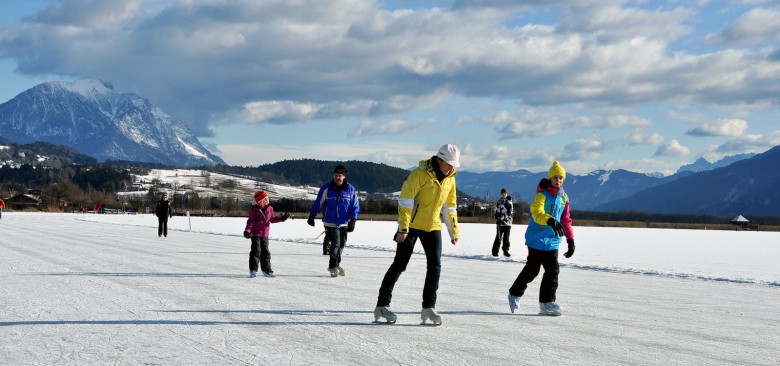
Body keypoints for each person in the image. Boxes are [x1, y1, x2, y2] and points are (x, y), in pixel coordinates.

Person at [374, 144, 461, 326]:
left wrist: (453, 231)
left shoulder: (451, 178)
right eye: (449, 164)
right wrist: (403, 228)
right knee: (400, 264)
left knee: (435, 267)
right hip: (412, 225)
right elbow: (405, 201)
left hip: (433, 226)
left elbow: (449, 207)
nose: (451, 168)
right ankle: (382, 305)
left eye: (454, 165)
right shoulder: (419, 174)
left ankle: (429, 308)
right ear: (439, 160)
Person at [507, 161, 575, 316]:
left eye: (561, 177)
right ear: (550, 178)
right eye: (555, 177)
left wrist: (570, 240)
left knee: (553, 271)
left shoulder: (564, 198)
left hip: (552, 240)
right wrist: (550, 219)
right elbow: (536, 213)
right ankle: (514, 293)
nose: (558, 180)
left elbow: (566, 220)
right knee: (533, 270)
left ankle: (547, 303)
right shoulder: (542, 195)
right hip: (537, 238)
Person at [307, 164, 360, 277]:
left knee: (342, 244)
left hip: (344, 222)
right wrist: (312, 216)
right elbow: (318, 202)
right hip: (330, 221)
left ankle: (336, 263)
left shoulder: (350, 190)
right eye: (335, 175)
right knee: (336, 243)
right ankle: (332, 266)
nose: (337, 177)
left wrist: (353, 220)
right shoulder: (326, 189)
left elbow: (355, 206)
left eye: (339, 175)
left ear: (344, 176)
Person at [243, 190, 291, 278]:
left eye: (267, 198)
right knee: (256, 251)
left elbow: (272, 219)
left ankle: (266, 270)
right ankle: (253, 269)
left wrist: (282, 218)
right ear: (259, 201)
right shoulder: (254, 210)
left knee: (266, 252)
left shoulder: (270, 208)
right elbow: (251, 222)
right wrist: (247, 231)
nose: (267, 200)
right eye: (265, 199)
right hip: (255, 234)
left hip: (265, 235)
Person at [492, 188, 513, 257]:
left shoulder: (509, 202)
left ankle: (505, 251)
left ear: (507, 194)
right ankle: (495, 252)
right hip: (499, 223)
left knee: (506, 238)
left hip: (507, 223)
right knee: (498, 238)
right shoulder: (499, 201)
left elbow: (509, 212)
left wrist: (503, 217)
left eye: (504, 193)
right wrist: (496, 215)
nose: (503, 194)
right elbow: (497, 209)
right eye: (502, 193)